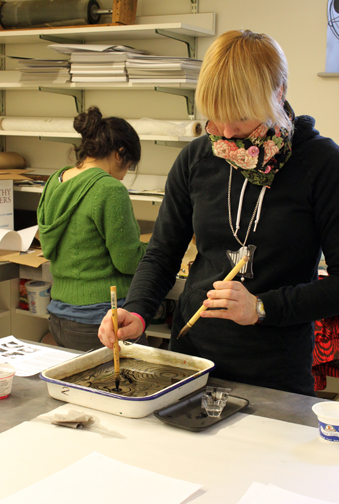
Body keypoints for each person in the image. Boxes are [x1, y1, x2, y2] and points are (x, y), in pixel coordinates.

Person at [98, 30, 339, 397]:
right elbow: (162, 253)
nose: (226, 133)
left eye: (240, 116)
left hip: (276, 373)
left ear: (279, 92)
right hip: (192, 362)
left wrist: (261, 307)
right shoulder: (196, 158)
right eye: (215, 116)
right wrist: (138, 310)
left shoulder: (320, 163)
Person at [37, 106, 148, 352]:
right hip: (101, 321)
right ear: (120, 154)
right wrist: (154, 249)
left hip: (60, 317)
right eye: (129, 165)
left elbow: (48, 247)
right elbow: (128, 260)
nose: (123, 176)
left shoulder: (55, 181)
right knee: (129, 385)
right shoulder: (109, 189)